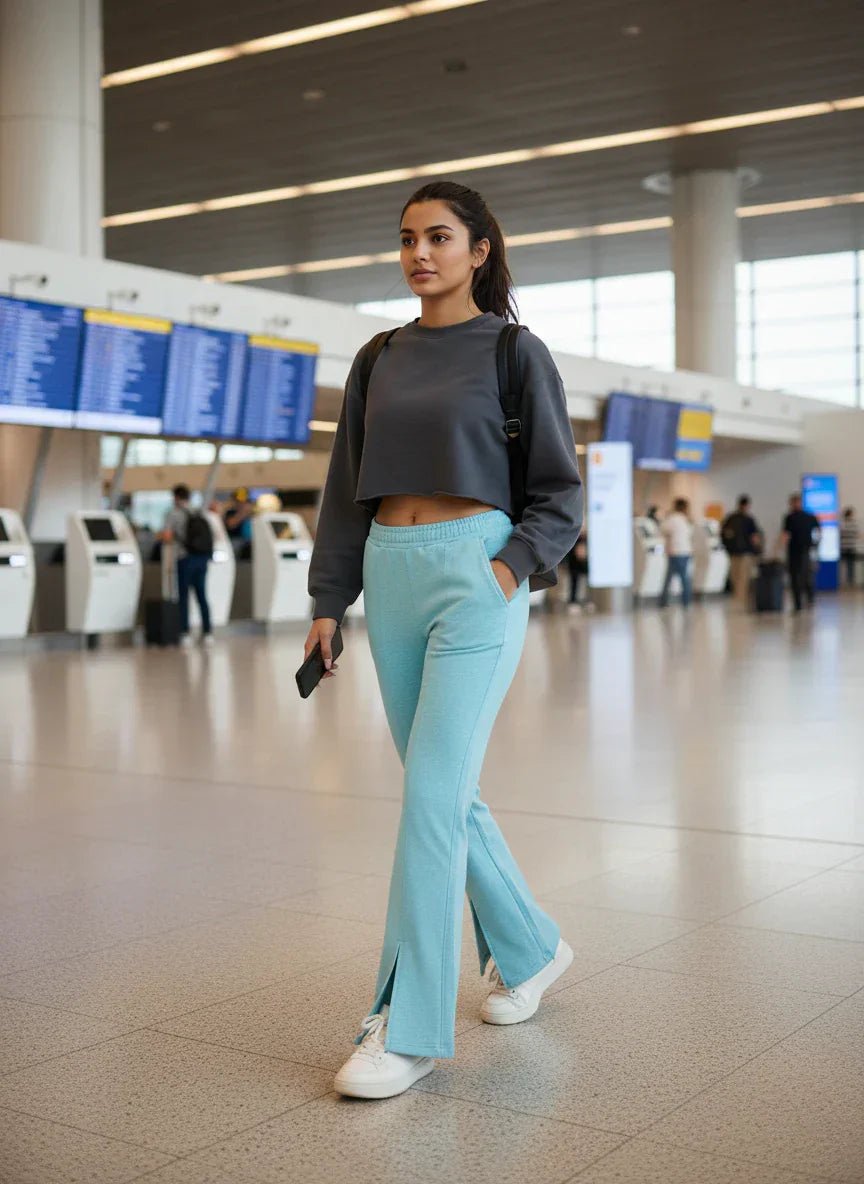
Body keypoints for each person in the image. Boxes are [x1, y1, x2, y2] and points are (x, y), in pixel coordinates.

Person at [305, 181, 584, 1101]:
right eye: (407, 239)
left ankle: (408, 1026)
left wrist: (508, 568)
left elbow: (558, 489)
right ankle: (533, 947)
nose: (420, 252)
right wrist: (328, 598)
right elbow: (347, 486)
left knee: (430, 794)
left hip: (477, 573)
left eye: (439, 237)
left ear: (480, 250)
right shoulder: (379, 356)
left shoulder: (513, 352)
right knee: (446, 795)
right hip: (389, 569)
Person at [161, 484, 213, 648]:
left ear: (176, 497)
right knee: (202, 595)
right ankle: (207, 633)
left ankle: (185, 633)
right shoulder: (198, 511)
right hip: (202, 558)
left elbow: (167, 536)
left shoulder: (173, 513)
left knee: (183, 596)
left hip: (185, 558)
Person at [782, 493, 820, 612]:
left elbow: (818, 531)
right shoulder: (791, 517)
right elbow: (785, 534)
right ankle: (800, 603)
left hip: (803, 550)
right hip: (798, 551)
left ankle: (807, 600)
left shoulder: (806, 517)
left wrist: (816, 545)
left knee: (804, 576)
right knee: (799, 577)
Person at [721, 495, 762, 604]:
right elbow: (755, 537)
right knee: (743, 576)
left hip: (733, 551)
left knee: (735, 575)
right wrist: (758, 551)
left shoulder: (731, 518)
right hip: (745, 552)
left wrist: (727, 547)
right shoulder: (748, 519)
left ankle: (738, 597)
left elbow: (724, 534)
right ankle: (741, 597)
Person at [659, 497, 694, 608]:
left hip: (675, 552)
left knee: (670, 577)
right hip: (685, 552)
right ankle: (686, 602)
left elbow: (663, 530)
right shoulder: (686, 519)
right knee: (684, 578)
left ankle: (664, 601)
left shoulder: (672, 518)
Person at [840, 506, 859, 587]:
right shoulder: (853, 524)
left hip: (845, 547)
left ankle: (846, 582)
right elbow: (856, 534)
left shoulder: (842, 524)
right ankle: (849, 582)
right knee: (850, 566)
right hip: (849, 547)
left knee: (846, 566)